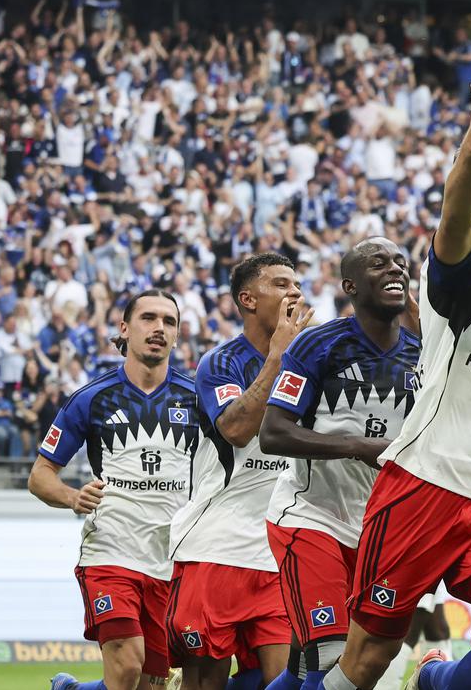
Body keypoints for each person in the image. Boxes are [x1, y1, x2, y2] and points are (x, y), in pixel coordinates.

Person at [324, 77, 471, 690]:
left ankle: (437, 682)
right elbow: (455, 222)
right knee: (368, 660)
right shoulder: (466, 263)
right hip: (423, 482)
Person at [259, 238, 421, 690]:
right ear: (350, 286)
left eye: (400, 263)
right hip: (312, 517)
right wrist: (357, 446)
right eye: (379, 264)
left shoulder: (424, 355)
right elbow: (273, 434)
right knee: (333, 658)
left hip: (380, 533)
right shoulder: (318, 345)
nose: (395, 270)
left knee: (320, 668)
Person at [34, 289, 201, 690]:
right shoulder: (91, 398)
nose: (159, 328)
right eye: (148, 318)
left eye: (169, 321)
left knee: (149, 684)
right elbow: (40, 475)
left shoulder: (198, 399)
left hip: (170, 559)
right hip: (110, 550)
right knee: (126, 667)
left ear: (178, 335)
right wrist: (73, 497)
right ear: (124, 329)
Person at [166, 254, 313, 690]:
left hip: (278, 549)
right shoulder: (221, 362)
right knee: (204, 682)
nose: (295, 292)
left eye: (297, 284)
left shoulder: (311, 362)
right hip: (217, 546)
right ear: (248, 299)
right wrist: (278, 357)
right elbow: (235, 428)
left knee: (284, 681)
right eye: (281, 284)